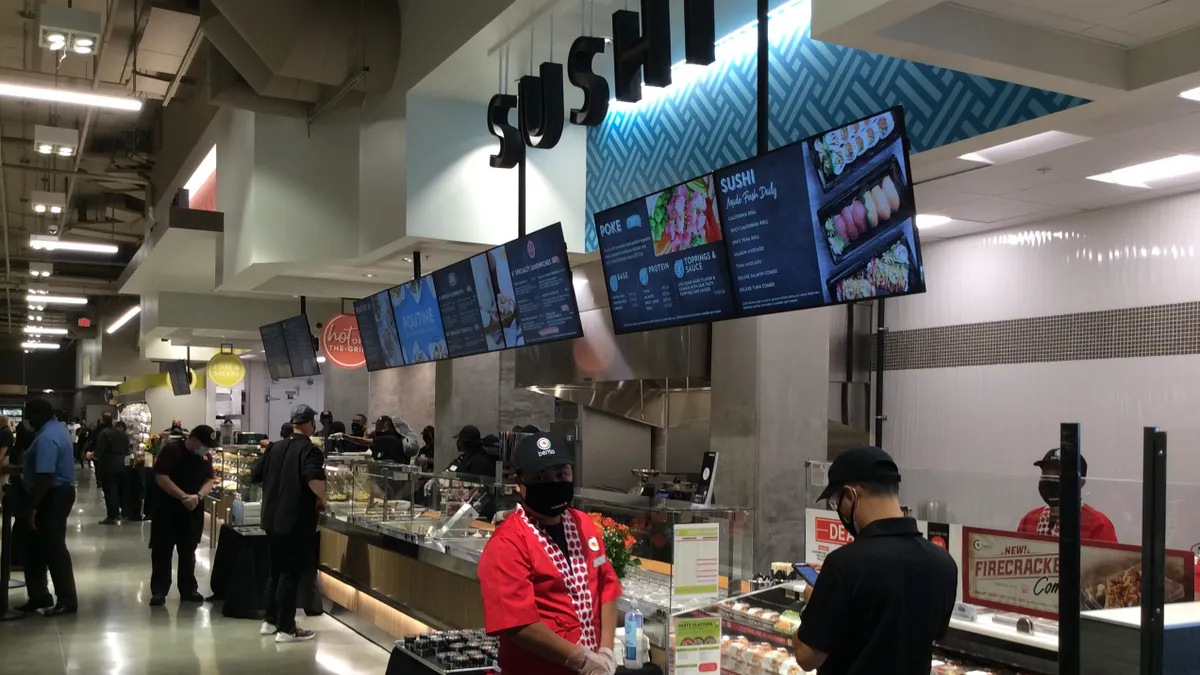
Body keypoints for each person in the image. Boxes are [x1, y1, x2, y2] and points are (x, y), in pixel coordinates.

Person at [792, 446, 957, 675]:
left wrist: (812, 603)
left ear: (850, 495)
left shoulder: (844, 564)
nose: (837, 509)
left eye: (835, 501)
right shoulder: (944, 563)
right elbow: (934, 634)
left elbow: (806, 657)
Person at [478, 433, 620, 675]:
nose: (554, 483)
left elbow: (606, 587)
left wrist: (605, 652)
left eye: (561, 474)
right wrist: (581, 660)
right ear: (519, 483)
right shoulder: (507, 542)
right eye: (540, 478)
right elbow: (518, 623)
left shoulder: (584, 524)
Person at [252, 404, 327, 643]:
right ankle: (287, 629)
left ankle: (270, 620)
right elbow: (313, 479)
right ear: (309, 424)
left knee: (275, 572)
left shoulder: (275, 447)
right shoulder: (310, 450)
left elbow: (255, 475)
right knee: (289, 574)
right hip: (295, 521)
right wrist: (324, 499)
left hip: (271, 518)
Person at [17, 399, 78, 616]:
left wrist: (32, 506)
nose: (27, 421)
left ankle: (67, 600)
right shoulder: (57, 429)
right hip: (56, 492)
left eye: (29, 416)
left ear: (38, 415)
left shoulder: (46, 437)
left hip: (51, 495)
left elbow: (44, 476)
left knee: (53, 547)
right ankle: (39, 595)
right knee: (34, 546)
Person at [148, 426, 218, 606]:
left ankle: (188, 589)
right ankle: (159, 591)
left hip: (192, 510)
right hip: (167, 510)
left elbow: (210, 479)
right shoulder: (171, 451)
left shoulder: (205, 457)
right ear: (193, 440)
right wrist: (183, 496)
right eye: (205, 444)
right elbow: (161, 477)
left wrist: (198, 496)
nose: (207, 449)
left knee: (188, 552)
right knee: (162, 551)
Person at [1017, 448, 1117, 543]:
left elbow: (1108, 560)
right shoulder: (1029, 520)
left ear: (1080, 482)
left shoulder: (1098, 524)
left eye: (1058, 475)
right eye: (1046, 474)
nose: (1050, 481)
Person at [94, 420, 132, 524]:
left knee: (109, 491)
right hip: (122, 465)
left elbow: (98, 452)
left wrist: (92, 455)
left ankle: (112, 515)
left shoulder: (104, 433)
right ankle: (125, 513)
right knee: (121, 490)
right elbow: (128, 450)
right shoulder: (123, 434)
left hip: (108, 466)